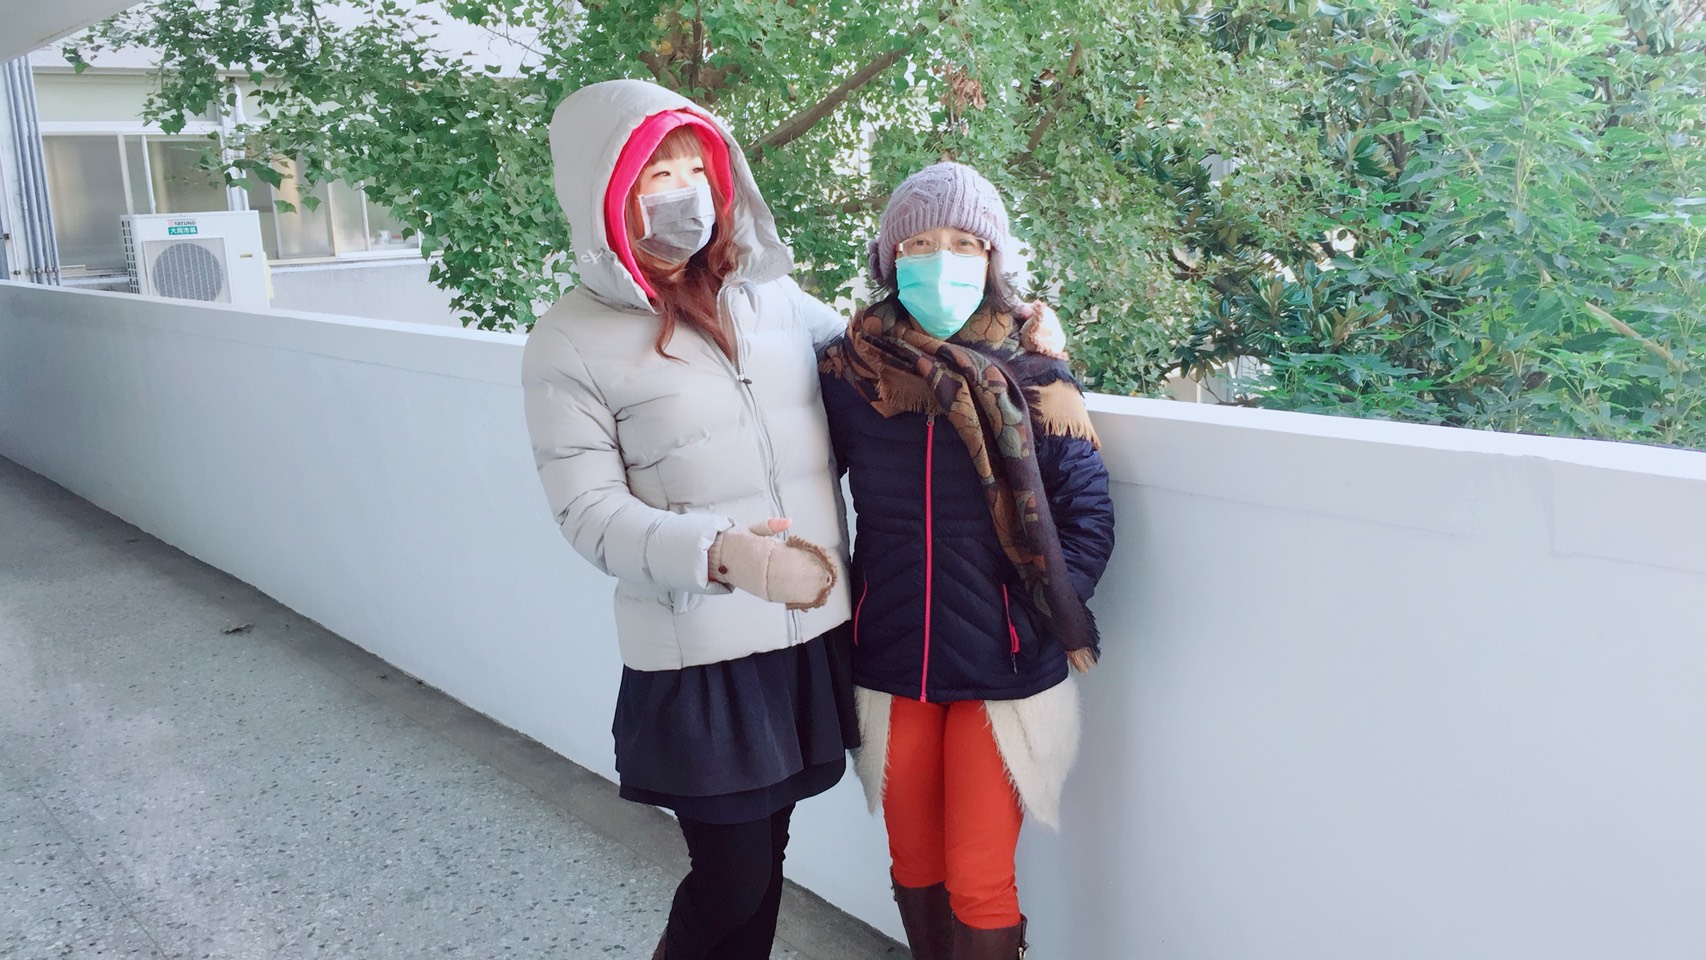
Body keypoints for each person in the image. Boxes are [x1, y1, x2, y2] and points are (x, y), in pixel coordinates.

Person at [521, 79, 857, 960]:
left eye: (696, 171)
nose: (685, 194)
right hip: (699, 652)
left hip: (804, 636)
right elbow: (587, 511)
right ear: (605, 194)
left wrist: (1020, 332)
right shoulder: (568, 339)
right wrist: (720, 555)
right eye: (656, 176)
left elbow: (878, 357)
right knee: (731, 878)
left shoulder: (771, 297)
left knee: (765, 859)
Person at [820, 162, 1116, 960]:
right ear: (889, 258)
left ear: (992, 258)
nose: (942, 260)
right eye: (918, 243)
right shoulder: (850, 374)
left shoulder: (1038, 375)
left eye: (964, 243)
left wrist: (1031, 613)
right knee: (914, 864)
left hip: (1003, 666)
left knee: (979, 875)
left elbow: (1088, 518)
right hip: (892, 658)